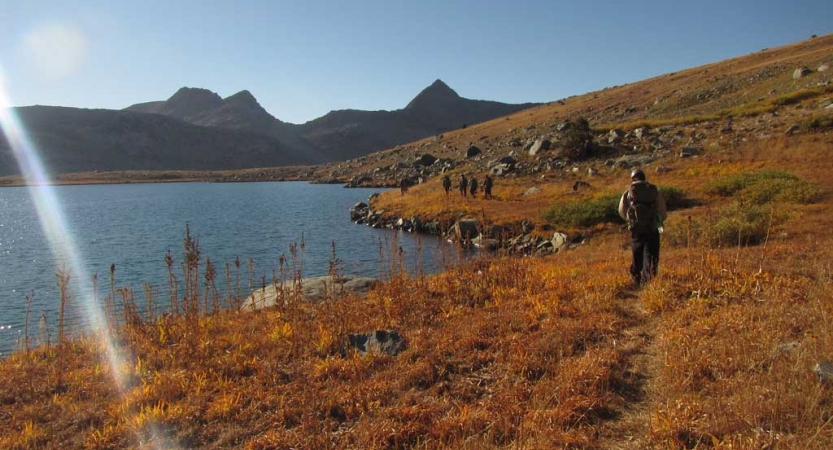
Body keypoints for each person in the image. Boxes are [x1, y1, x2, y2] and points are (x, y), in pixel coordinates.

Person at [618, 168, 666, 286]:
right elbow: (662, 211)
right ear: (644, 177)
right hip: (652, 227)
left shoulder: (629, 191)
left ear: (633, 178)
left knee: (637, 252)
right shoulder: (653, 190)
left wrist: (631, 221)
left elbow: (621, 210)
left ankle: (636, 274)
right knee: (652, 253)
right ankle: (649, 279)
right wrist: (658, 223)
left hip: (637, 229)